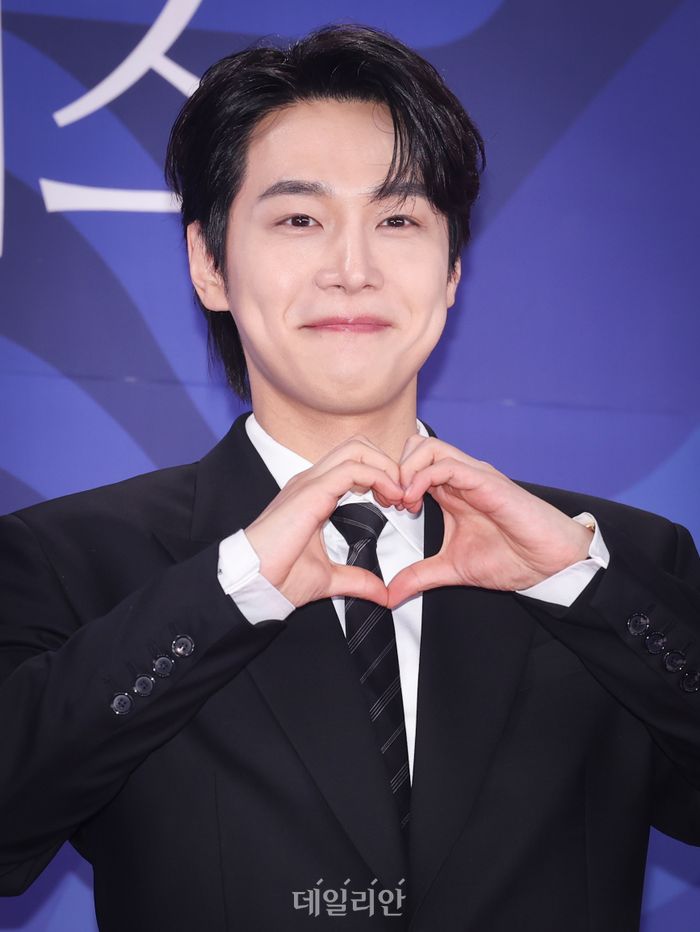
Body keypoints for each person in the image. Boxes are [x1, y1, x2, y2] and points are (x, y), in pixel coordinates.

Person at [1, 22, 699, 932]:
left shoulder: (619, 561)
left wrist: (582, 587)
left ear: (452, 272)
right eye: (299, 219)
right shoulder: (69, 559)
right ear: (209, 263)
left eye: (399, 220)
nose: (353, 269)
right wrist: (229, 592)